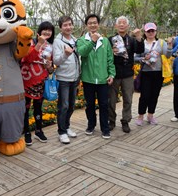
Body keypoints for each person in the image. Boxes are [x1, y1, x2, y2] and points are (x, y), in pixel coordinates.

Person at [77, 14, 115, 139]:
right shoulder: (82, 40)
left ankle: (105, 128)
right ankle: (91, 125)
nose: (92, 25)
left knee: (104, 104)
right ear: (86, 25)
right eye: (90, 23)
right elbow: (82, 52)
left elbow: (110, 59)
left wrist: (111, 74)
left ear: (98, 24)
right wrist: (92, 41)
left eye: (95, 22)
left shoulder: (105, 41)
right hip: (88, 79)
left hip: (103, 79)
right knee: (90, 104)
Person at [21, 21, 55, 146]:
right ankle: (26, 132)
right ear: (39, 31)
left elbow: (51, 68)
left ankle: (39, 130)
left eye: (49, 30)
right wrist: (39, 44)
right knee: (25, 108)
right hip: (26, 80)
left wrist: (50, 66)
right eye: (44, 29)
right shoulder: (31, 42)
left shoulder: (50, 46)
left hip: (40, 81)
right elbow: (28, 58)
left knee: (38, 107)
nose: (47, 32)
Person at [108, 16, 144, 133]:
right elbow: (106, 56)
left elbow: (139, 50)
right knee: (111, 99)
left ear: (128, 26)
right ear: (116, 26)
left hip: (128, 74)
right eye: (119, 23)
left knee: (128, 99)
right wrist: (112, 52)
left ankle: (125, 121)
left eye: (124, 23)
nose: (122, 25)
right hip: (114, 74)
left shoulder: (132, 40)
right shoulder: (110, 40)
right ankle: (111, 120)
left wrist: (139, 37)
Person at [135, 22, 172, 126]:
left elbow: (168, 55)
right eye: (148, 31)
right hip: (146, 73)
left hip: (158, 72)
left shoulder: (161, 43)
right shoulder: (142, 43)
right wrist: (143, 59)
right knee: (144, 95)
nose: (151, 33)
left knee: (154, 95)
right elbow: (135, 57)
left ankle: (150, 115)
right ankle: (140, 116)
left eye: (153, 31)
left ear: (156, 31)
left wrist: (169, 45)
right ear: (145, 32)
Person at [53, 16, 80, 144]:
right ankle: (61, 132)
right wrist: (65, 54)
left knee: (71, 105)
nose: (68, 27)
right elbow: (56, 61)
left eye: (70, 24)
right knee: (63, 106)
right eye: (65, 25)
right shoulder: (57, 42)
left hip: (75, 78)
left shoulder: (75, 40)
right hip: (63, 78)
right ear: (60, 27)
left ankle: (67, 126)